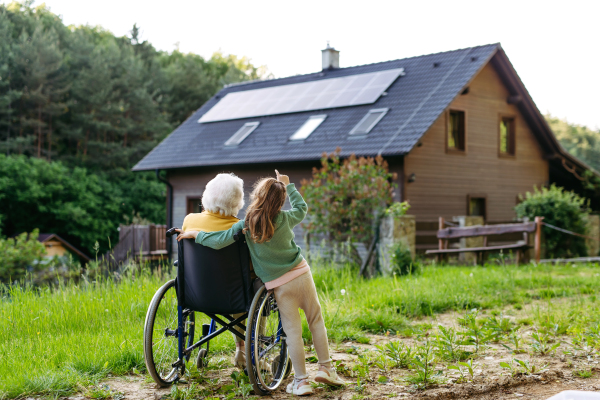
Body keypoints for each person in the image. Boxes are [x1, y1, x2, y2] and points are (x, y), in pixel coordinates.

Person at [177, 170, 345, 396]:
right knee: (315, 319)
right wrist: (288, 185)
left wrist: (196, 234)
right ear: (281, 201)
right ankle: (326, 368)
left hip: (280, 285)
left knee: (292, 332)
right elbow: (302, 209)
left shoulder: (246, 224)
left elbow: (219, 241)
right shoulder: (285, 218)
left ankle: (302, 381)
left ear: (256, 196)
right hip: (302, 273)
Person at [177, 172, 249, 369]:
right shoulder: (238, 228)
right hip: (234, 298)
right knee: (255, 286)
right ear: (237, 201)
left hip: (195, 294)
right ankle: (243, 350)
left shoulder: (189, 220)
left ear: (207, 195)